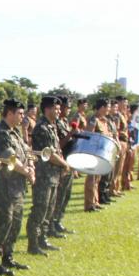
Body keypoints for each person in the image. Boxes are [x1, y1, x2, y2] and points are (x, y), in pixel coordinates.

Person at [0, 99, 34, 276]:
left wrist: (31, 168)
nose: (23, 116)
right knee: (2, 222)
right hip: (5, 185)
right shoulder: (1, 133)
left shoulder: (15, 133)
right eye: (20, 113)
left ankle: (8, 256)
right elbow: (11, 158)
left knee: (16, 222)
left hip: (17, 186)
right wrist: (27, 171)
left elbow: (26, 153)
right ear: (10, 113)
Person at [25, 95, 69, 256]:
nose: (58, 111)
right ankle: (33, 243)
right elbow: (49, 153)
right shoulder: (42, 128)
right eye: (55, 109)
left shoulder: (52, 126)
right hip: (43, 175)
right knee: (40, 209)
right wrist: (64, 164)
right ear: (47, 109)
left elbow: (57, 150)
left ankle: (42, 239)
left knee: (49, 209)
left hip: (53, 175)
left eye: (59, 108)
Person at [49, 96, 77, 236]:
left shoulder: (65, 122)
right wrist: (70, 135)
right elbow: (58, 145)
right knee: (57, 196)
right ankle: (52, 224)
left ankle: (58, 221)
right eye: (65, 107)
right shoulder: (55, 124)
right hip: (60, 163)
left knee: (66, 195)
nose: (65, 110)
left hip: (69, 163)